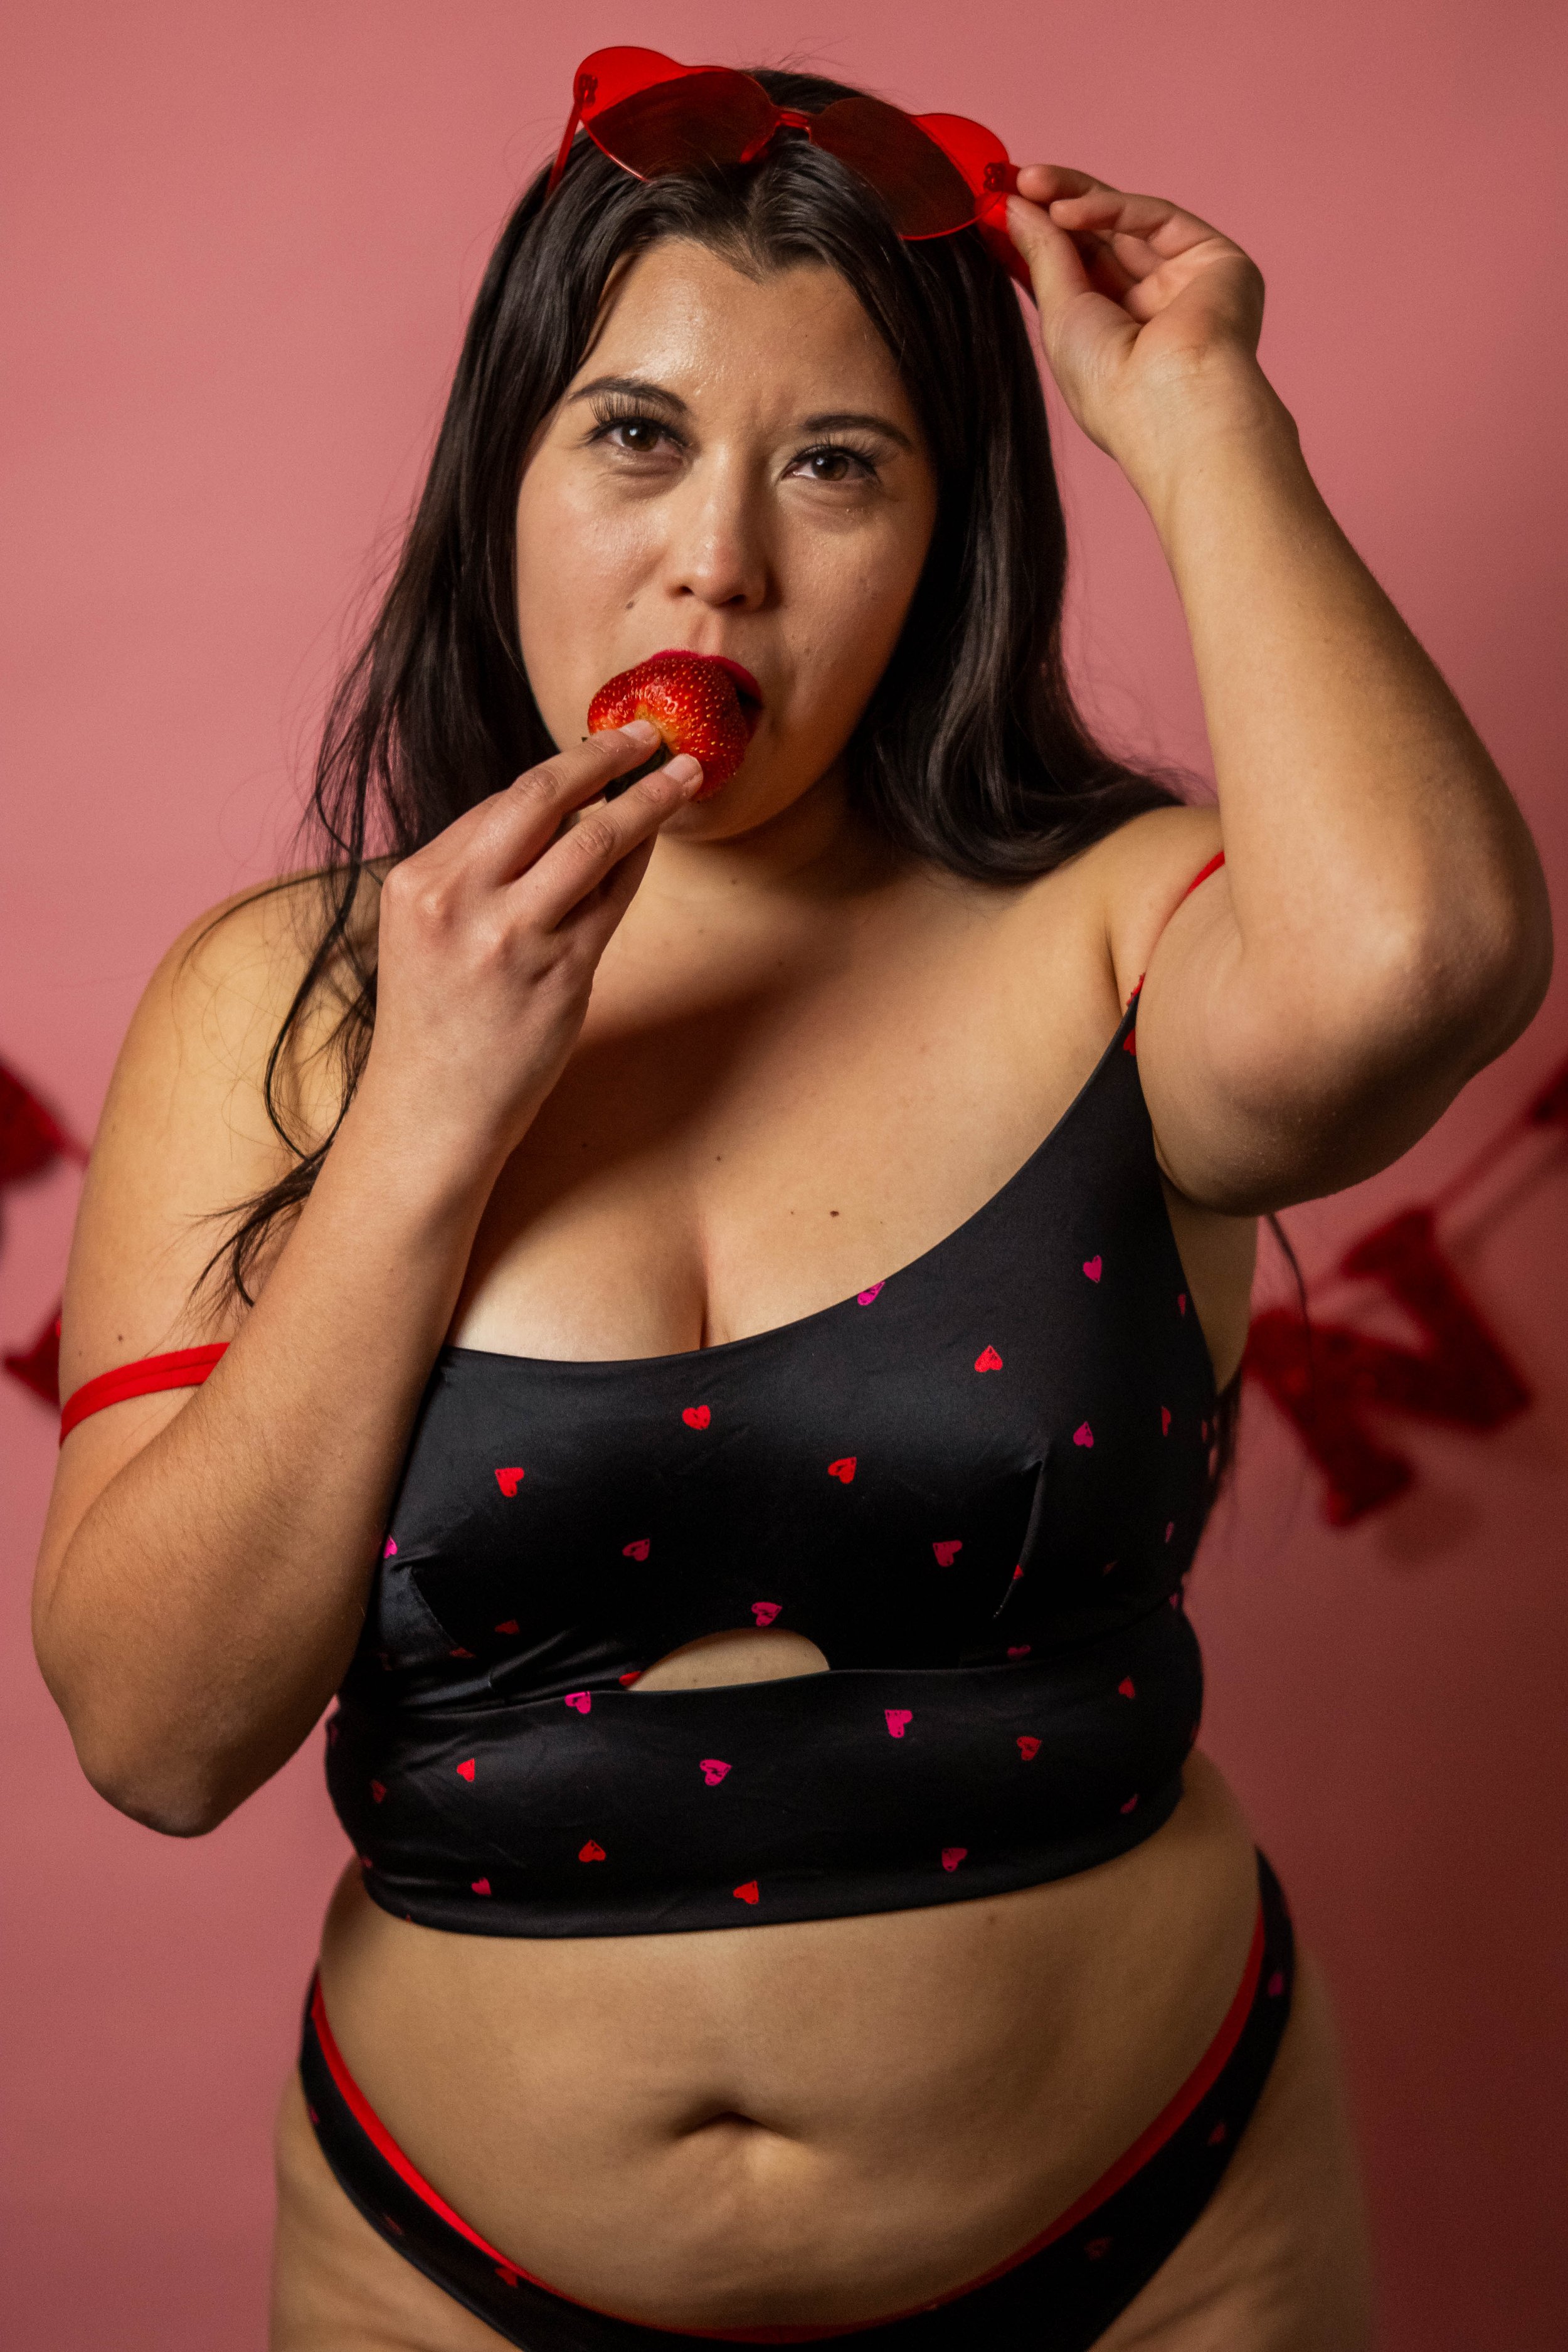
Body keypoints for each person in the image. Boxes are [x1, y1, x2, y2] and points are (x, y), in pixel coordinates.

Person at [31, 53, 1550, 2352]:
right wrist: (430, 1114)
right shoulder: (286, 1000)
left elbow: (1426, 960)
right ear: (504, 479)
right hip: (447, 2277)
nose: (715, 556)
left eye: (835, 466)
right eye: (633, 435)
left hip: (1160, 2246)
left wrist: (1203, 415)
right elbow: (156, 1735)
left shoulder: (1118, 930)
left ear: (945, 535)